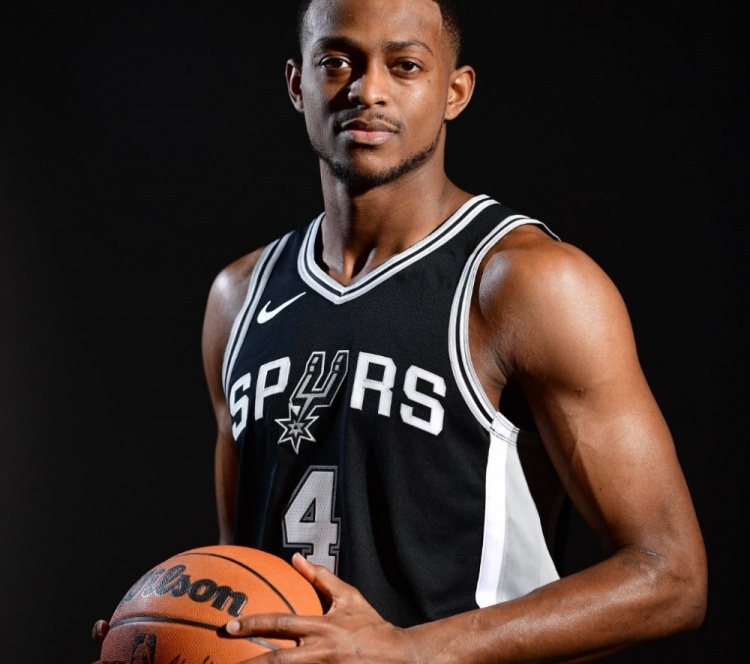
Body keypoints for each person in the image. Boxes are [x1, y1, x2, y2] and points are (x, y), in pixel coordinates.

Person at [94, 0, 707, 661]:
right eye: (337, 61)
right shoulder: (238, 298)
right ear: (298, 84)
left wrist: (409, 651)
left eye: (405, 65)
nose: (368, 90)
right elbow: (242, 571)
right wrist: (169, 629)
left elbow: (670, 576)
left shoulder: (527, 284)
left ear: (455, 92)